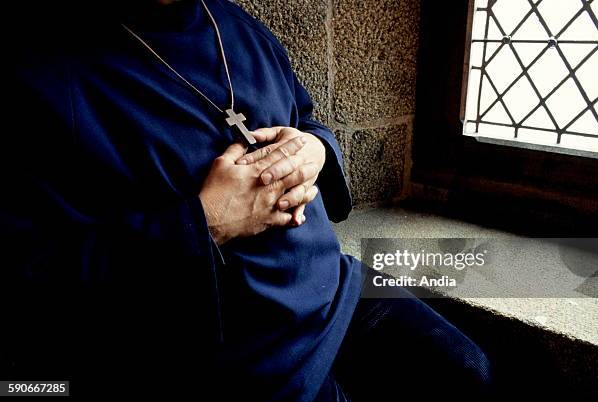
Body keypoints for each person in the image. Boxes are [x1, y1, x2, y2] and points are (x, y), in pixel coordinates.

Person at [1, 0, 491, 400]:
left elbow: (306, 117)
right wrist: (206, 222)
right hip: (240, 352)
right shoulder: (36, 75)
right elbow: (33, 278)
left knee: (467, 370)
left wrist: (315, 150)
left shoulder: (238, 27)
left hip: (333, 289)